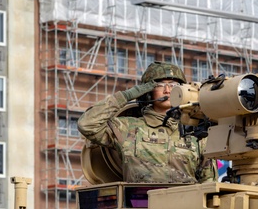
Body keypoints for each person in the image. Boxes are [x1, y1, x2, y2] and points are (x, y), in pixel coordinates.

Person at [78, 62, 216, 184]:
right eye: (160, 85)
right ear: (148, 91)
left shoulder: (195, 132)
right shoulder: (127, 128)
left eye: (173, 85)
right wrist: (126, 96)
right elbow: (87, 124)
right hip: (141, 207)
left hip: (187, 208)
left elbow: (208, 181)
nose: (167, 90)